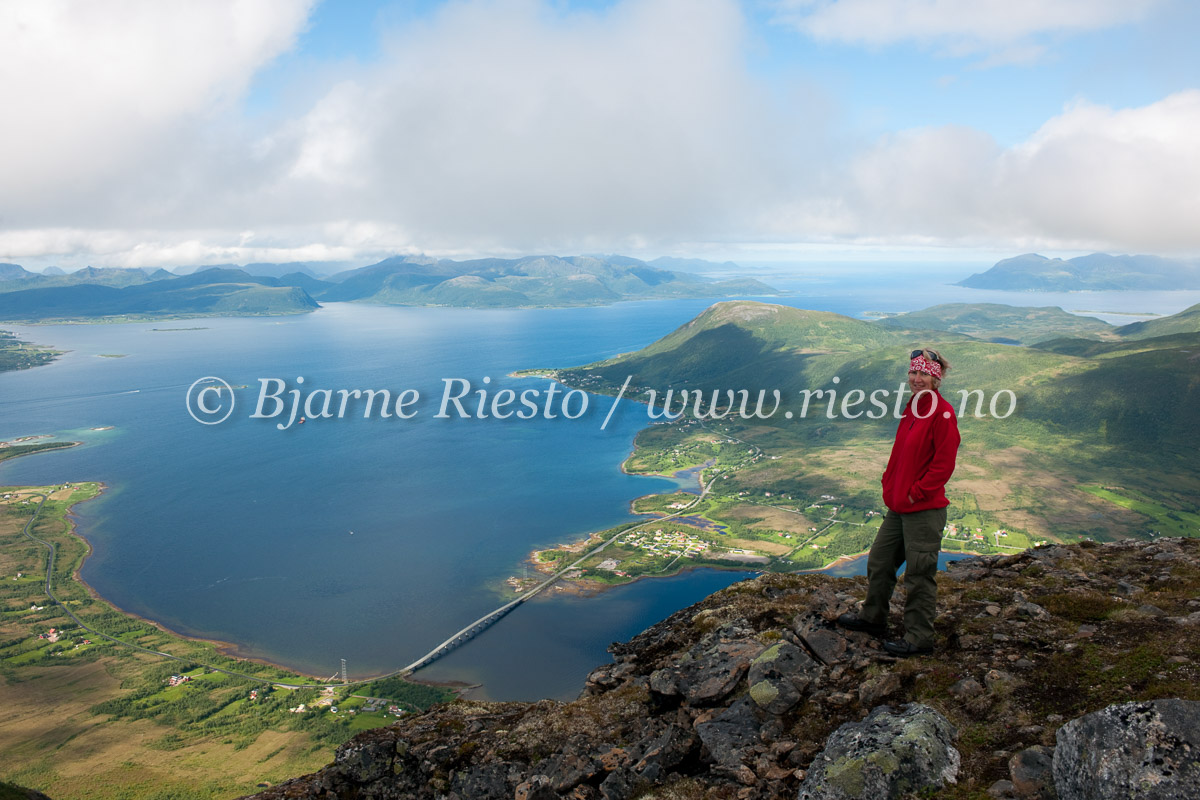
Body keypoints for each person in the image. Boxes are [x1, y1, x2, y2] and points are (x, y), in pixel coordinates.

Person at [837, 348, 960, 656]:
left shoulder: (942, 413)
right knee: (880, 561)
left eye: (924, 374)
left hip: (924, 509)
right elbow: (901, 454)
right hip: (899, 506)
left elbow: (944, 464)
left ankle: (919, 638)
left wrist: (916, 492)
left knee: (919, 575)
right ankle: (873, 618)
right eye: (914, 372)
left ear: (936, 379)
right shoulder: (914, 408)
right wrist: (889, 483)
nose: (917, 379)